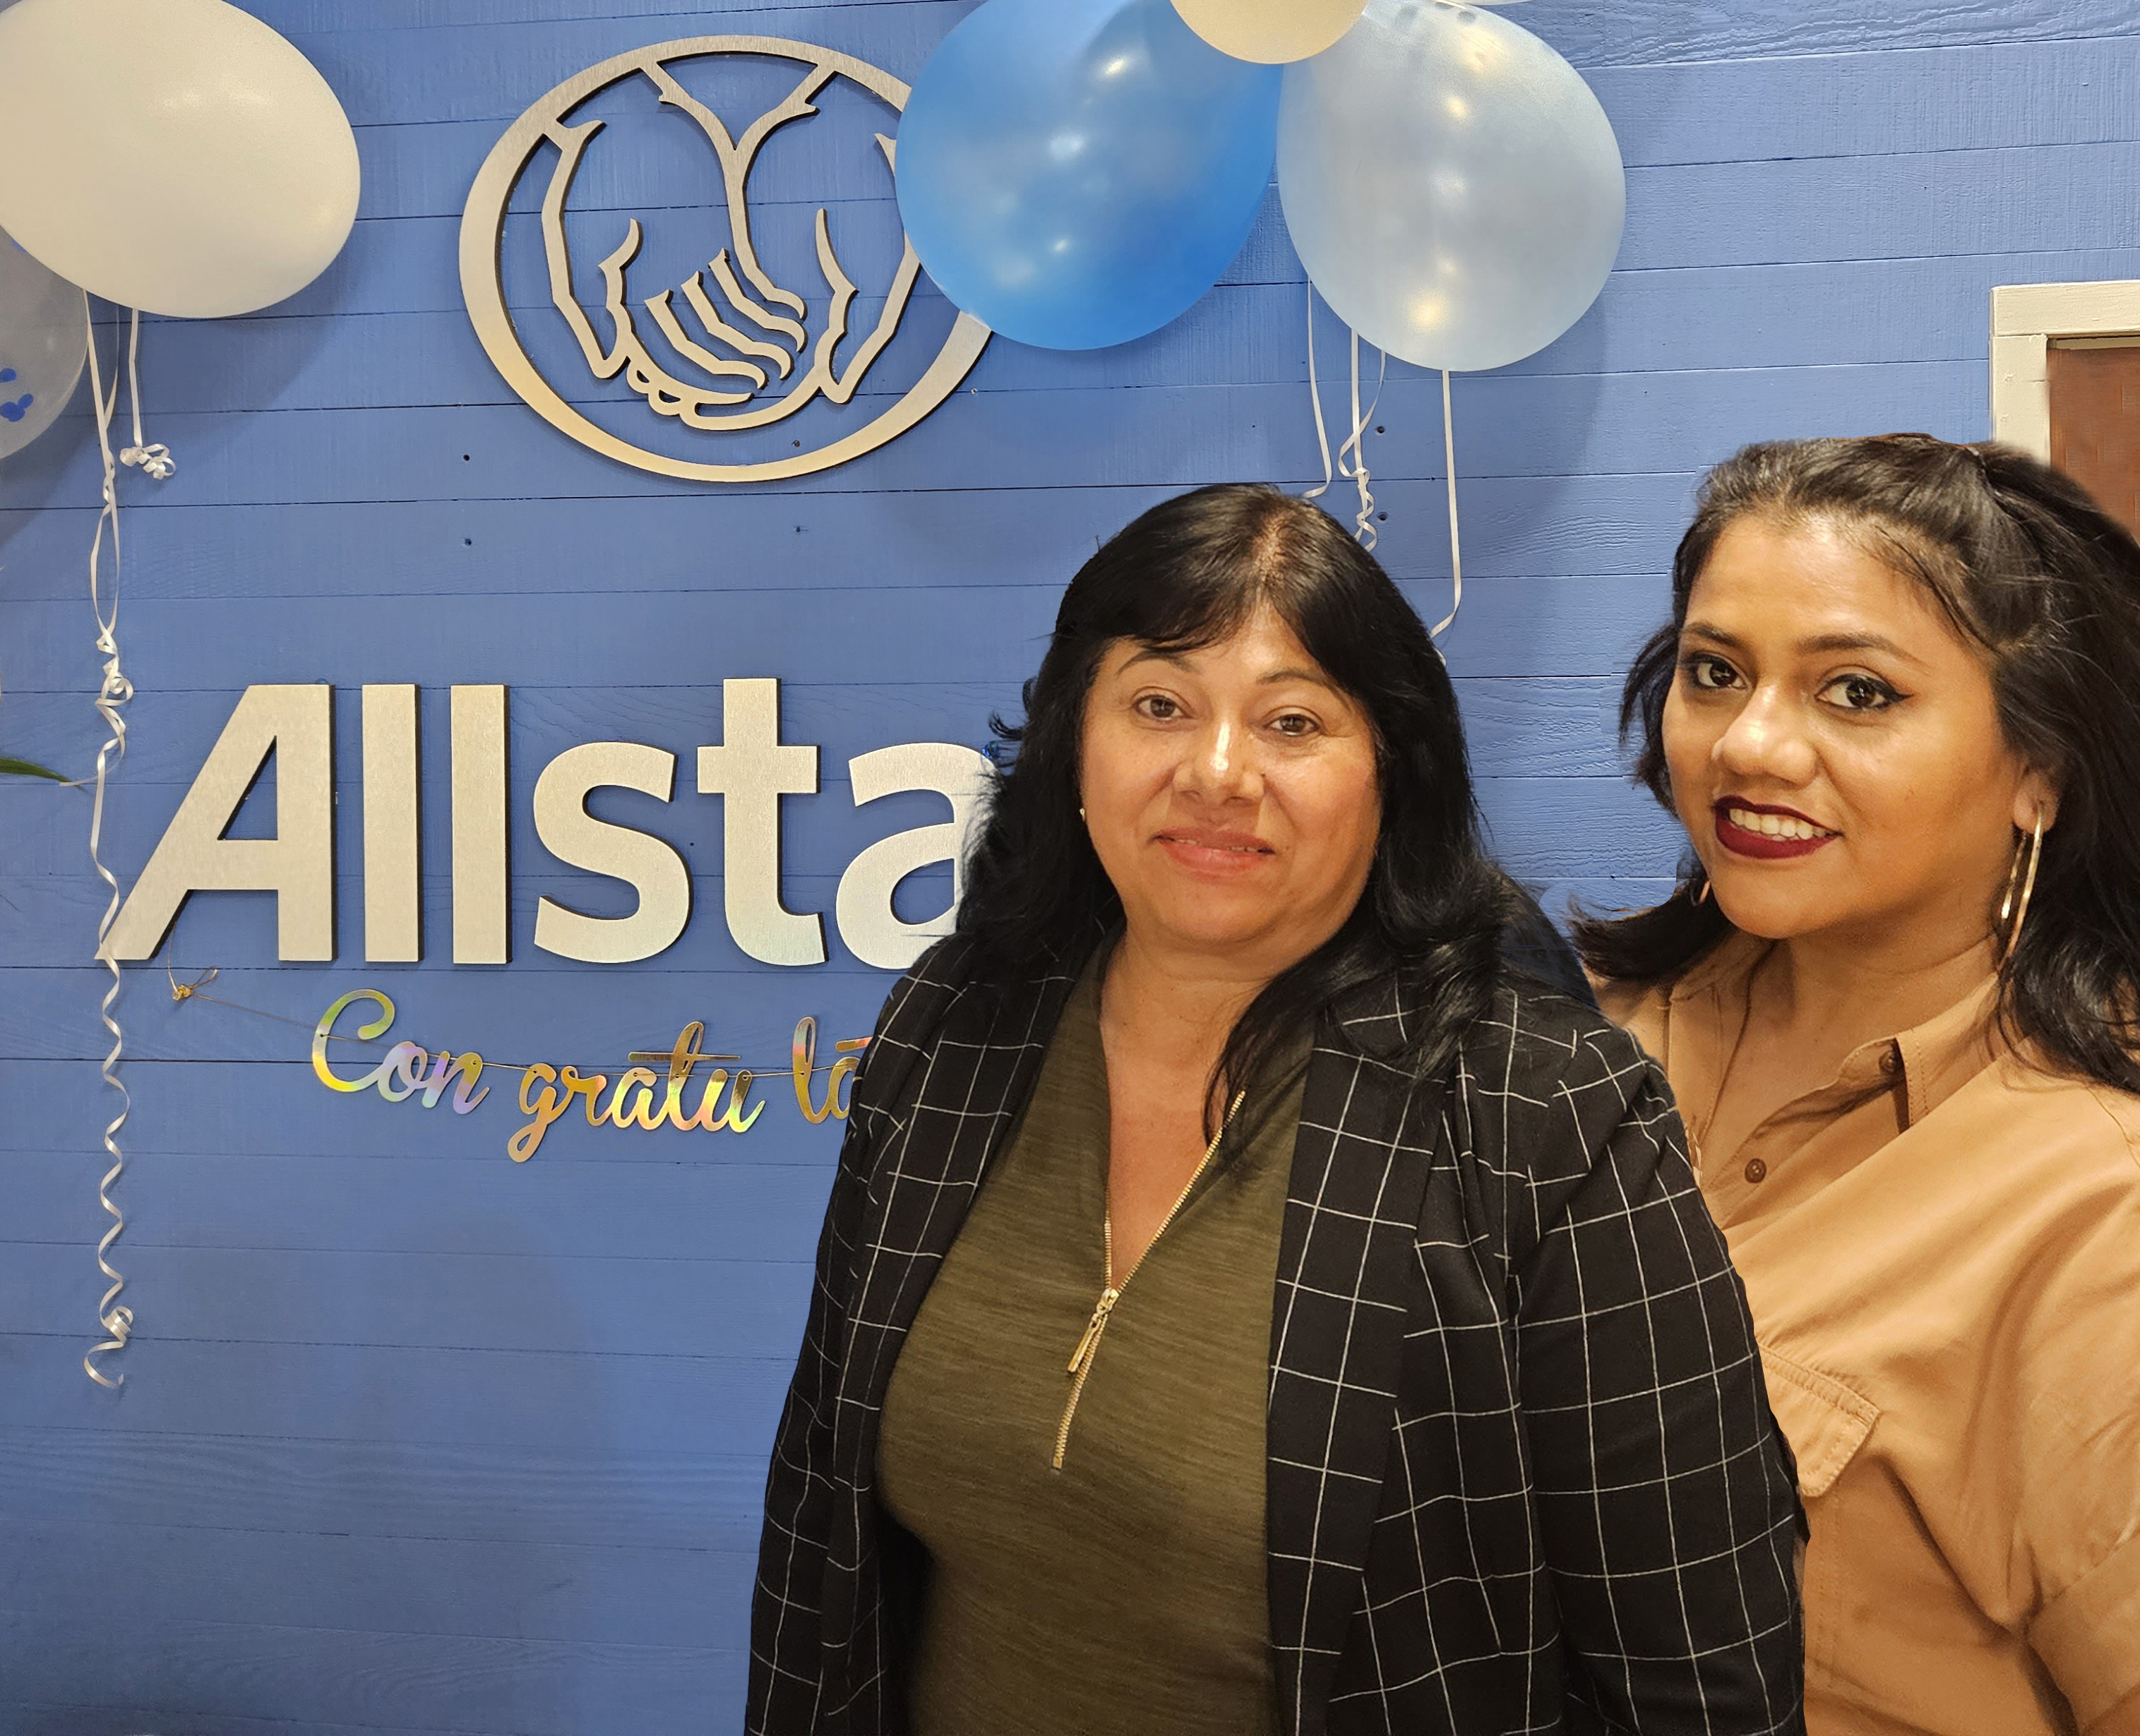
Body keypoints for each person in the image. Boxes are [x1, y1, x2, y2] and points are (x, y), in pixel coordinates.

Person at [748, 483, 1803, 1735]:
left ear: (1386, 774)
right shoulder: (951, 1033)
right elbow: (821, 1551)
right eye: (1157, 704)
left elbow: (1698, 1683)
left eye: (1292, 720)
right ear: (1072, 746)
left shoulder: (1546, 1119)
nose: (1214, 772)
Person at [1578, 435, 2140, 1736]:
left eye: (1857, 693)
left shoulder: (2093, 1211)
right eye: (1714, 673)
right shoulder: (1582, 1037)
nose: (1751, 745)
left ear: (2039, 772)